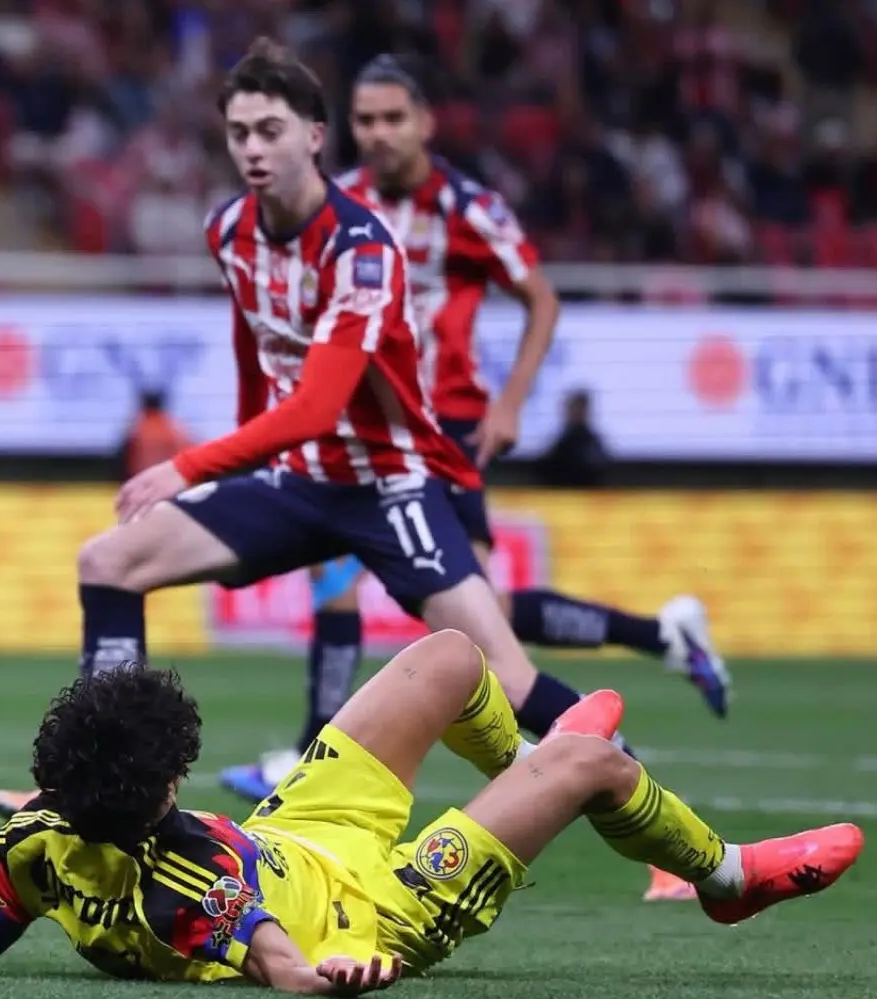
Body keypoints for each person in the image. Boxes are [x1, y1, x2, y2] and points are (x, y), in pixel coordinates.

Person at [217, 56, 730, 903]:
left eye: (392, 119)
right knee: (358, 599)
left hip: (444, 434)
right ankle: (308, 763)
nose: (377, 135)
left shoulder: (468, 210)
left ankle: (648, 747)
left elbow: (540, 297)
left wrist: (512, 401)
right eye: (365, 120)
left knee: (489, 634)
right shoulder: (334, 201)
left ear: (425, 122)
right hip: (364, 439)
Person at [0, 631, 863, 992]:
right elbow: (279, 962)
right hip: (370, 905)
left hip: (300, 828)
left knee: (445, 658)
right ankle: (728, 877)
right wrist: (338, 974)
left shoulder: (38, 842)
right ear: (167, 788)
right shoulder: (196, 875)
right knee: (596, 766)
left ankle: (529, 762)